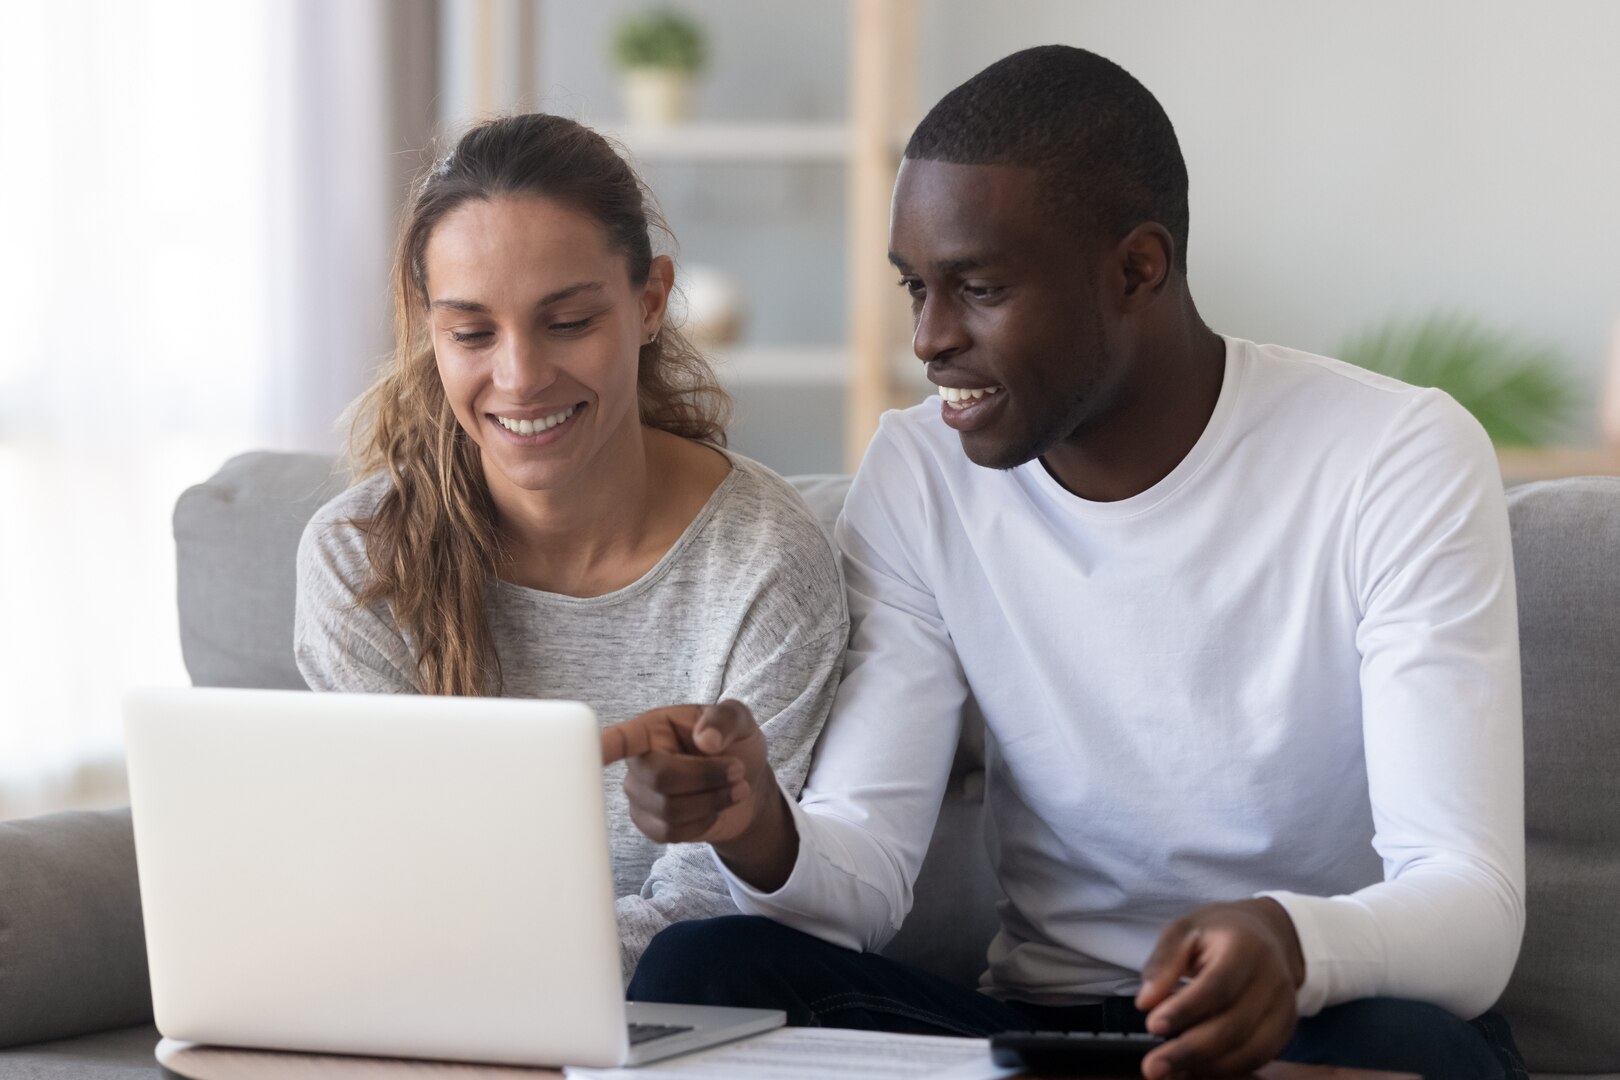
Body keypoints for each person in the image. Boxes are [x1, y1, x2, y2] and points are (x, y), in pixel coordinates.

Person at [602, 46, 1527, 1080]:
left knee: (1411, 1056)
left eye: (978, 287)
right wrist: (758, 824)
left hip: (1309, 1019)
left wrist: (1293, 943)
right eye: (916, 289)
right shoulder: (921, 471)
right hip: (1042, 1028)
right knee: (704, 972)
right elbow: (864, 874)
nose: (930, 338)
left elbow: (1472, 905)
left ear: (1137, 268)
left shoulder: (1394, 456)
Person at [294, 113, 849, 980]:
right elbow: (390, 871)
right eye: (472, 333)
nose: (518, 378)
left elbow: (705, 912)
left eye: (568, 322)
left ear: (650, 302)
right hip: (426, 1006)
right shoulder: (358, 558)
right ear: (429, 333)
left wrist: (513, 981)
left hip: (660, 1013)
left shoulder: (767, 563)